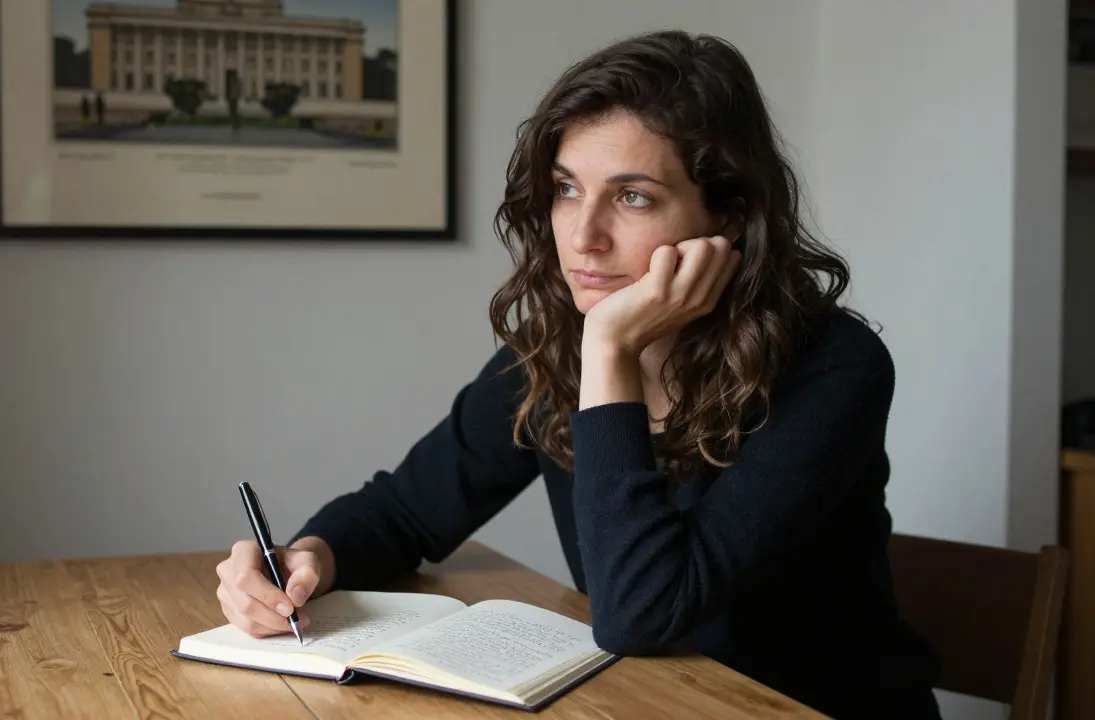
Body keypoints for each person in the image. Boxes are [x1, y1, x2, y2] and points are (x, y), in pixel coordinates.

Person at [214, 30, 943, 719]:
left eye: (633, 197)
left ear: (729, 213)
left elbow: (641, 612)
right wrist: (306, 560)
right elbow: (406, 512)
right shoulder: (554, 350)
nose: (583, 236)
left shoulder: (833, 368)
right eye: (567, 189)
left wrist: (610, 354)